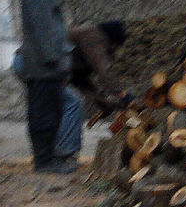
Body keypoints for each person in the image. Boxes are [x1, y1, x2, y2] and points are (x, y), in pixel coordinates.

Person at [18, 0, 73, 173]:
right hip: (43, 63)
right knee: (43, 113)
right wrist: (52, 56)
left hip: (48, 61)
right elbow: (41, 25)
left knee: (53, 110)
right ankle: (43, 160)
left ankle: (49, 156)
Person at [53, 21, 132, 166]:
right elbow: (104, 70)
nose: (114, 51)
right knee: (72, 104)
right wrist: (121, 93)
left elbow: (80, 80)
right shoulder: (94, 37)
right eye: (115, 46)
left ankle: (54, 155)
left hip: (39, 65)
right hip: (37, 65)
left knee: (61, 106)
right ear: (112, 39)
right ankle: (65, 156)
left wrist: (102, 100)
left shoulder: (84, 44)